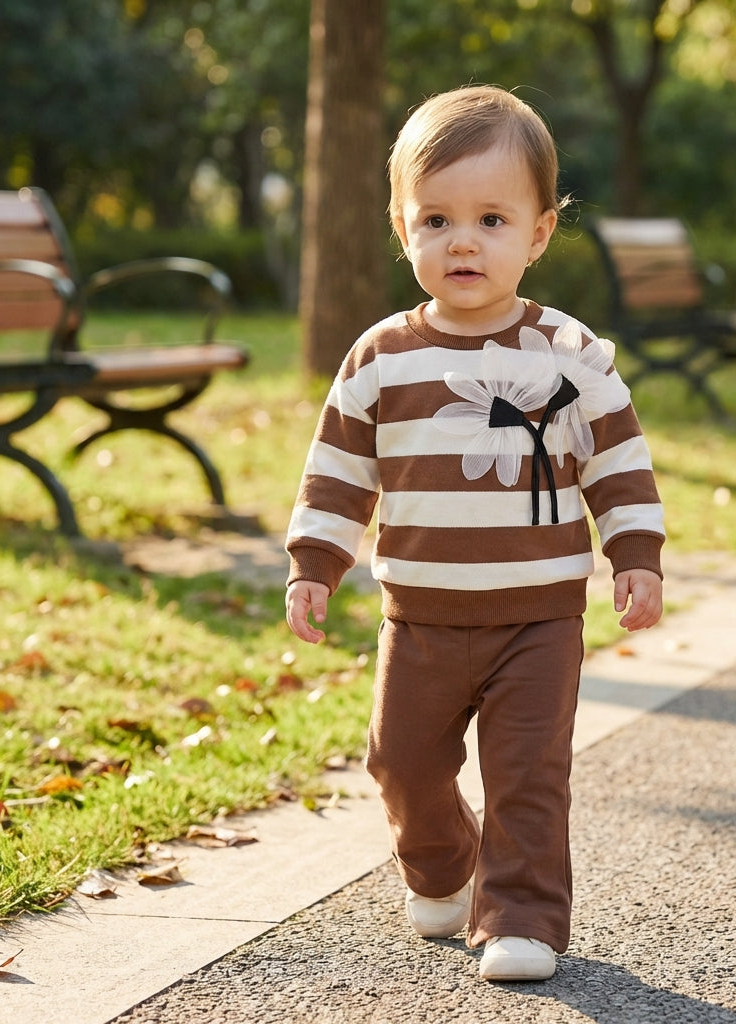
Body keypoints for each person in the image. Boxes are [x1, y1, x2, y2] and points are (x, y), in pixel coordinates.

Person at [285, 84, 664, 983]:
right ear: (402, 228)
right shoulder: (381, 358)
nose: (463, 241)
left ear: (538, 234)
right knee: (399, 762)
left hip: (537, 618)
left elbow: (618, 461)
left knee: (528, 773)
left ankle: (521, 916)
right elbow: (339, 470)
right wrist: (315, 563)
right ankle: (445, 864)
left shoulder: (568, 354)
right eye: (437, 220)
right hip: (418, 617)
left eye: (492, 220)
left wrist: (635, 554)